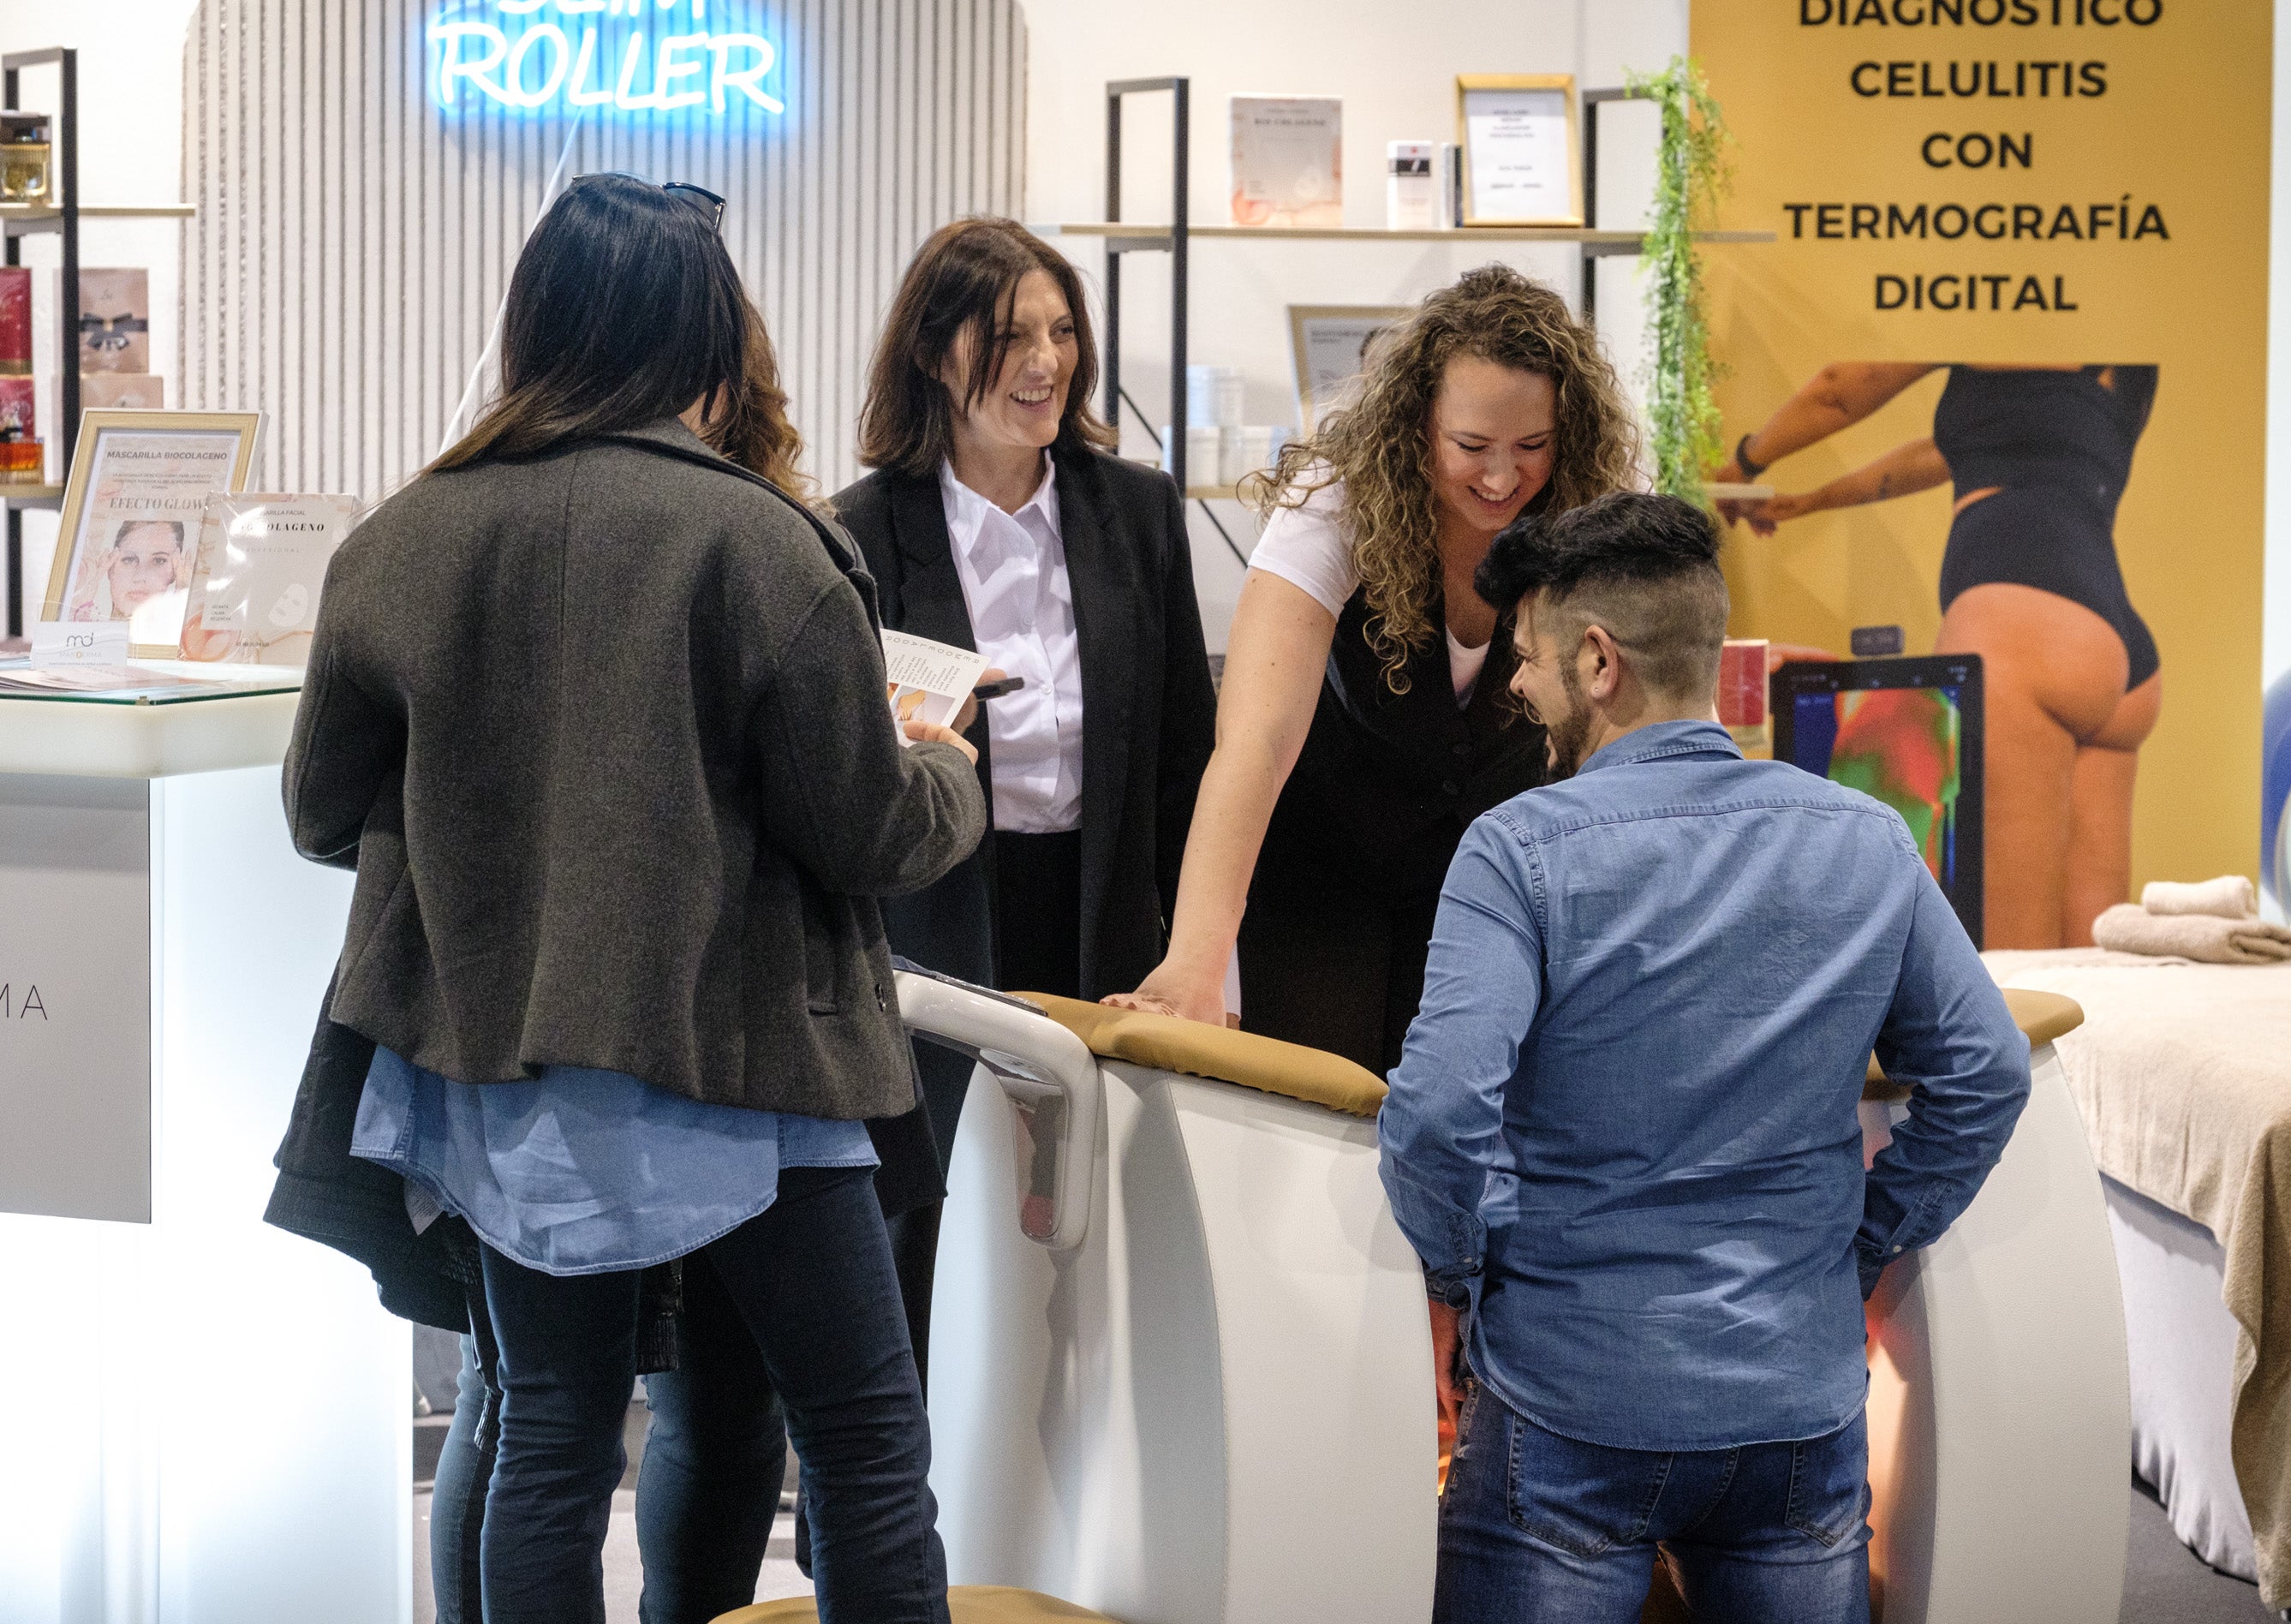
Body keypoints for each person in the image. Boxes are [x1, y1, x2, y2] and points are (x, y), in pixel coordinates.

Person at [280, 172, 983, 1624]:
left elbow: (317, 811)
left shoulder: (402, 537)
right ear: (707, 334)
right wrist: (955, 775)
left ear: (537, 318)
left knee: (547, 1432)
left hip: (501, 1068)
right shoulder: (763, 546)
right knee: (859, 1438)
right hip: (756, 1062)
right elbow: (861, 827)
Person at [1378, 491, 2031, 1621]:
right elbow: (1987, 1069)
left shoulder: (1517, 853)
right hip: (1798, 1404)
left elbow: (1438, 1114)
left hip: (1567, 1398)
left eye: (1528, 660)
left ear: (1596, 662)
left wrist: (1470, 1276)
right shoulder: (1867, 839)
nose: (1517, 688)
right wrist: (1858, 1247)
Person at [833, 215, 1217, 1368]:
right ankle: (908, 1504)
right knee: (929, 1230)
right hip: (938, 929)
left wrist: (1196, 952)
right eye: (1009, 337)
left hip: (1102, 926)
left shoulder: (1136, 511)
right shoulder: (857, 536)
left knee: (1091, 1232)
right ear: (934, 356)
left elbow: (1183, 761)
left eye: (1061, 332)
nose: (1046, 362)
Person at [1107, 265, 1641, 1073]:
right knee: (1319, 1116)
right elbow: (1255, 741)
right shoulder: (1336, 503)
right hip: (1321, 874)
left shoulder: (1600, 504)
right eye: (1471, 447)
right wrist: (1193, 962)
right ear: (1418, 424)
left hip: (1491, 873)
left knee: (1467, 1112)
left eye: (1532, 447)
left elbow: (1637, 729)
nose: (1502, 478)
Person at [1720, 362, 2162, 947]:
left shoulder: (1998, 317)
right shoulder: (2112, 347)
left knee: (2008, 974)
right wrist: (1814, 502)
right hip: (2116, 645)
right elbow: (1949, 453)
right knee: (2093, 978)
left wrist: (1742, 464)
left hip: (2020, 623)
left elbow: (1841, 388)